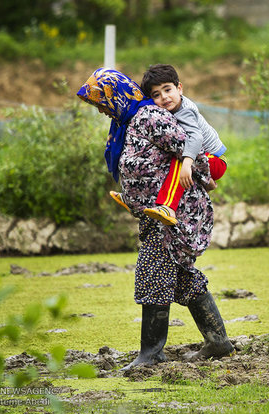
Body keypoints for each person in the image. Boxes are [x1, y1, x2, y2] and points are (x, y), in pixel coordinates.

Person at [77, 68, 234, 369]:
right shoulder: (129, 123)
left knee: (152, 273)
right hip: (154, 216)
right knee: (179, 279)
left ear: (116, 96)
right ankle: (218, 342)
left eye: (101, 102)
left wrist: (207, 176)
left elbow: (193, 152)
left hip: (174, 213)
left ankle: (151, 353)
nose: (100, 109)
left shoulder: (151, 118)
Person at [111, 64, 227, 227]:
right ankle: (134, 198)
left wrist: (188, 163)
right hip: (203, 157)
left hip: (215, 160)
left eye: (167, 90)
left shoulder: (185, 111)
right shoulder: (162, 113)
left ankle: (168, 207)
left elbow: (196, 137)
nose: (164, 97)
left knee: (179, 158)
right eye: (156, 95)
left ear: (179, 88)